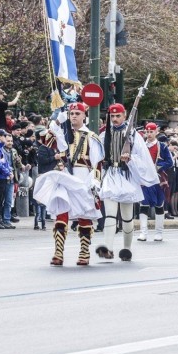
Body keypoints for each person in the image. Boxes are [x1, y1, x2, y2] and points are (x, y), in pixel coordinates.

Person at [34, 102, 103, 266]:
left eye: (77, 113)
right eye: (72, 114)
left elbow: (97, 163)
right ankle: (58, 252)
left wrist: (95, 180)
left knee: (84, 215)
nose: (74, 116)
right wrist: (57, 122)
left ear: (84, 115)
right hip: (65, 177)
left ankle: (84, 251)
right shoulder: (63, 133)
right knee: (61, 212)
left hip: (83, 177)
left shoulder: (92, 137)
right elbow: (45, 140)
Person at [94, 103, 157, 262]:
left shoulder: (134, 135)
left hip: (127, 176)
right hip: (110, 175)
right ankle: (108, 249)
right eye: (112, 116)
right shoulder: (103, 135)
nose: (114, 119)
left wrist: (130, 158)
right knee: (109, 214)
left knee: (127, 217)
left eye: (118, 116)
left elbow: (143, 158)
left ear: (124, 115)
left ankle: (126, 249)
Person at [139, 122, 172, 242]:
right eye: (147, 132)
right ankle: (143, 232)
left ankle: (159, 232)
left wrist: (158, 166)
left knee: (159, 205)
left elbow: (170, 162)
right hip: (144, 179)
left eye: (151, 131)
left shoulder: (162, 146)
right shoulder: (141, 146)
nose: (149, 134)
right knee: (143, 205)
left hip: (158, 179)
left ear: (156, 132)